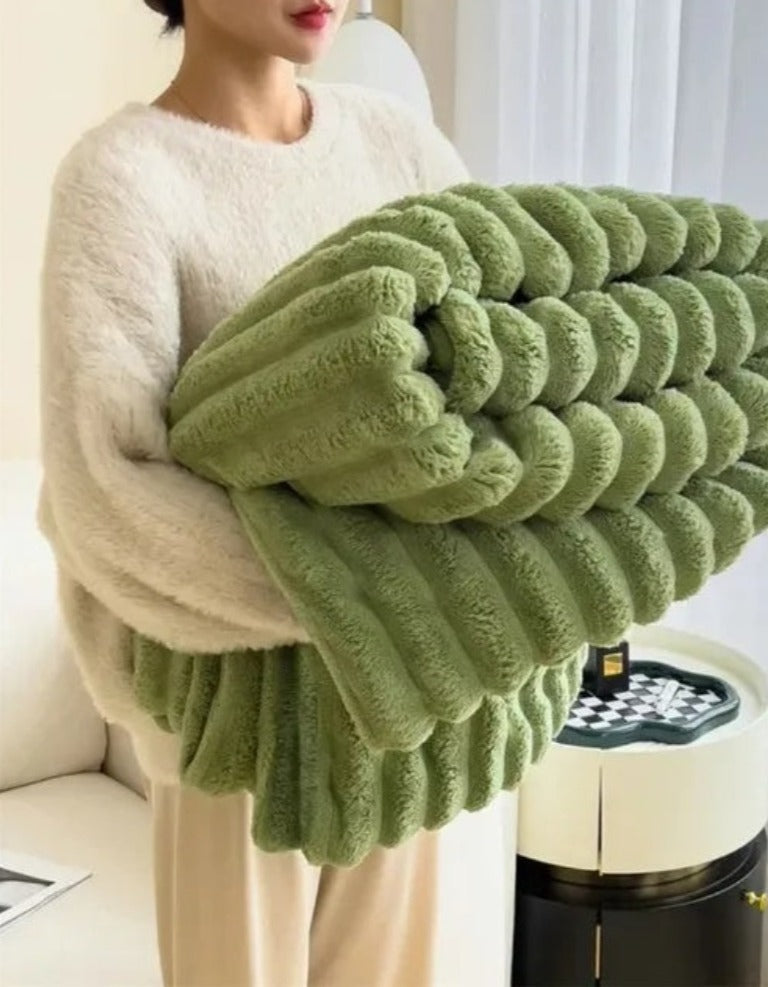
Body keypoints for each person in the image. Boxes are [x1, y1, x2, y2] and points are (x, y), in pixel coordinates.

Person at [36, 1, 469, 984]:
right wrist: (364, 594)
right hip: (233, 718)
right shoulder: (123, 178)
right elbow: (109, 486)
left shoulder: (397, 146)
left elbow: (494, 377)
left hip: (398, 700)